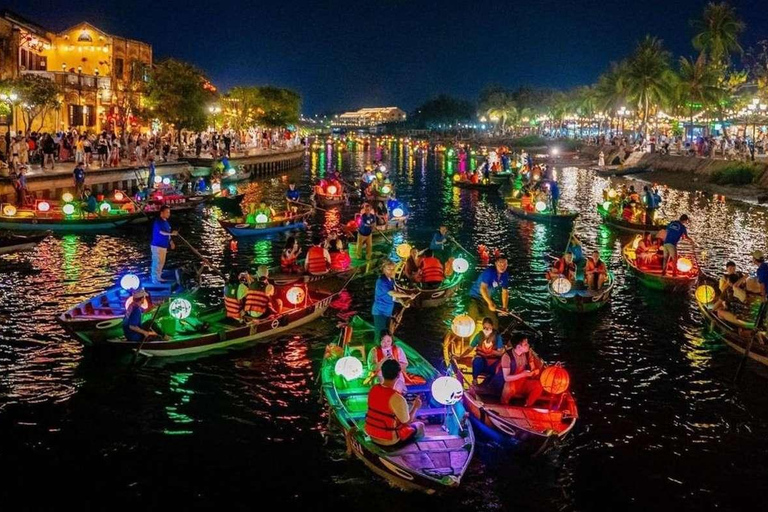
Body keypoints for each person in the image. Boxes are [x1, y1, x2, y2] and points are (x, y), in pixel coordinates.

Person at [364, 359, 424, 446]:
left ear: (382, 372)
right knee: (420, 425)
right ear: (399, 374)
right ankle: (412, 453)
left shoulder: (373, 389)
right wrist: (416, 407)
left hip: (372, 435)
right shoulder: (397, 398)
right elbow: (407, 422)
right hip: (390, 440)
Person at [491, 334, 544, 407]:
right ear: (519, 347)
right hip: (509, 383)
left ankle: (527, 405)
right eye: (525, 344)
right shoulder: (507, 357)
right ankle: (504, 404)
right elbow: (506, 378)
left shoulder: (528, 354)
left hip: (522, 383)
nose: (528, 345)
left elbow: (532, 367)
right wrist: (523, 374)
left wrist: (534, 371)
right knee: (509, 388)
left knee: (538, 386)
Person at [372, 260, 414, 341]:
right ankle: (377, 348)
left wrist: (402, 302)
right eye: (389, 269)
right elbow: (392, 293)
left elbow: (394, 297)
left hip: (388, 311)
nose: (391, 271)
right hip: (380, 311)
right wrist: (408, 295)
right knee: (380, 333)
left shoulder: (391, 280)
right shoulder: (381, 281)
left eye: (393, 269)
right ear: (383, 269)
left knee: (387, 332)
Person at [468, 256, 510, 329]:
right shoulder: (489, 272)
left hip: (487, 298)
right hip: (475, 296)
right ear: (496, 263)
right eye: (500, 263)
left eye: (505, 264)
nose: (502, 266)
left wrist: (504, 307)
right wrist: (490, 303)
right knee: (473, 317)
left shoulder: (505, 275)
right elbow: (483, 288)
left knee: (493, 321)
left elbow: (505, 292)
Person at [465, 317, 504, 383]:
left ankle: (491, 382)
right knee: (477, 361)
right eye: (484, 328)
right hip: (481, 358)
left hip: (492, 359)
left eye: (488, 328)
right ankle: (475, 379)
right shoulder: (479, 336)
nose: (486, 330)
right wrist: (460, 356)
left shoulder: (497, 337)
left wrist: (492, 352)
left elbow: (500, 353)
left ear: (492, 326)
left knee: (499, 368)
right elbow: (470, 348)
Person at [151, 205, 177, 283]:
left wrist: (171, 242)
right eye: (167, 212)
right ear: (161, 213)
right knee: (157, 261)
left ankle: (158, 277)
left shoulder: (167, 223)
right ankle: (154, 278)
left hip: (163, 245)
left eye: (169, 212)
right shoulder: (158, 222)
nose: (168, 214)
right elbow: (161, 232)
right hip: (157, 245)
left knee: (162, 262)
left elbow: (168, 234)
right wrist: (172, 234)